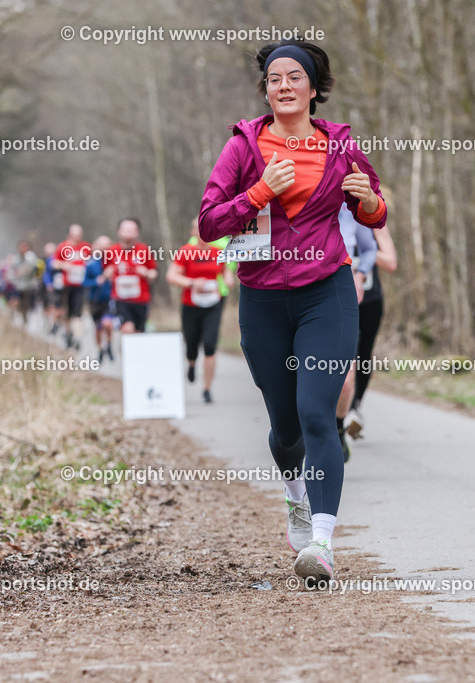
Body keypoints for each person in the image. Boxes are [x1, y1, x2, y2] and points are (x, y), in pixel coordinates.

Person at [199, 39, 387, 583]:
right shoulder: (243, 148)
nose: (284, 85)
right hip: (262, 299)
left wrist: (370, 201)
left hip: (326, 292)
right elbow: (210, 223)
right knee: (285, 428)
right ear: (266, 88)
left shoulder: (339, 147)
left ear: (313, 87)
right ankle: (295, 492)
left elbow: (374, 210)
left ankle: (322, 543)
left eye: (295, 77)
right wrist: (258, 192)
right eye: (274, 78)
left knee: (316, 413)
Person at [167, 219, 234, 404]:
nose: (202, 231)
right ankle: (191, 363)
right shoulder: (186, 252)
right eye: (198, 228)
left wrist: (229, 279)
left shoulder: (218, 252)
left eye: (205, 227)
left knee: (210, 345)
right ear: (193, 232)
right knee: (191, 344)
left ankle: (207, 389)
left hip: (213, 304)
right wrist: (192, 283)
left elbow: (226, 271)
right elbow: (171, 276)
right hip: (191, 304)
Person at [335, 203, 378, 461]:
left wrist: (360, 274)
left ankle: (339, 427)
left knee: (345, 378)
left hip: (342, 297)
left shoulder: (349, 209)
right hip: (302, 297)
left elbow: (370, 249)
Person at [345, 222, 396, 439]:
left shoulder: (373, 221)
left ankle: (355, 407)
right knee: (346, 355)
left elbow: (391, 263)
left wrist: (368, 251)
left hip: (370, 300)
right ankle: (342, 411)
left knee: (364, 354)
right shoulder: (335, 215)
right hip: (341, 297)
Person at [104, 217, 157, 334]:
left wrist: (147, 273)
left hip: (141, 299)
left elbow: (153, 272)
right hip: (120, 299)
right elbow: (106, 271)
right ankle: (123, 349)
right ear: (119, 231)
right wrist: (108, 273)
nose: (128, 232)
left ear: (137, 232)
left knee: (138, 333)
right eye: (125, 229)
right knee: (128, 329)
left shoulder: (144, 250)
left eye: (132, 229)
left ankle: (130, 351)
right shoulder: (111, 251)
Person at [53, 225, 90, 349]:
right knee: (67, 312)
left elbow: (92, 262)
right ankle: (68, 333)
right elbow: (54, 263)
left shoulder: (86, 247)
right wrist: (64, 265)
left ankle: (77, 338)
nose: (77, 238)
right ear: (69, 235)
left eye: (79, 235)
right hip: (66, 285)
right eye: (75, 235)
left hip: (80, 285)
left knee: (78, 312)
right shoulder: (62, 247)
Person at [85, 235, 116, 364]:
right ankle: (100, 350)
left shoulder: (114, 261)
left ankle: (108, 344)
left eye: (106, 247)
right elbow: (84, 281)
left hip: (110, 299)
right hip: (95, 300)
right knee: (98, 327)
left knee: (108, 324)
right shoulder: (91, 264)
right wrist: (96, 281)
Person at [8, 240, 43, 326]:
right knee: (16, 303)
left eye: (24, 247)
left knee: (27, 305)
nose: (22, 249)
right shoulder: (15, 259)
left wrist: (20, 271)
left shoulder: (31, 257)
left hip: (29, 286)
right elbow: (11, 271)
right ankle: (17, 320)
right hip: (18, 286)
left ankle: (27, 321)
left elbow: (31, 268)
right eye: (21, 247)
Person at [41, 241, 60, 334]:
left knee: (54, 306)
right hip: (49, 286)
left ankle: (54, 323)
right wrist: (48, 283)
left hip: (57, 286)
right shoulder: (46, 260)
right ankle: (51, 324)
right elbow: (46, 274)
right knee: (50, 306)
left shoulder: (55, 258)